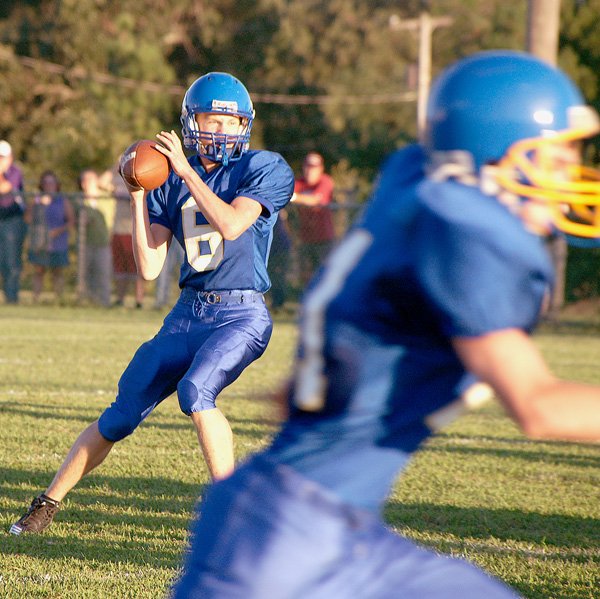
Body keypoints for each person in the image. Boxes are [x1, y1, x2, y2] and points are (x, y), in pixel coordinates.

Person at [169, 51, 600, 598]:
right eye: (554, 158)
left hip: (336, 531)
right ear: (490, 160)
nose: (569, 176)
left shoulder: (416, 187)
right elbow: (538, 405)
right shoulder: (468, 230)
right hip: (281, 549)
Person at [9, 71, 294, 535]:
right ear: (190, 121)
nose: (220, 131)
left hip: (241, 313)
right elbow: (148, 267)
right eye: (210, 120)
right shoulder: (168, 179)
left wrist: (184, 171)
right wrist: (138, 195)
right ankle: (46, 505)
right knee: (121, 414)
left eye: (229, 122)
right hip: (188, 312)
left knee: (196, 391)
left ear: (244, 125)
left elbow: (232, 226)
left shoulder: (264, 167)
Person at [25, 170, 75, 303]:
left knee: (57, 272)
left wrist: (58, 231)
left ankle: (59, 300)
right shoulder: (36, 199)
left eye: (51, 182)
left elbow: (71, 221)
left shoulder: (62, 201)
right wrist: (37, 202)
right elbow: (28, 219)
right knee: (39, 271)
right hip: (40, 242)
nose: (49, 185)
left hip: (58, 242)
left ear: (56, 184)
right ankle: (35, 300)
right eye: (46, 182)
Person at [101, 168, 146, 308]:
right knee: (120, 268)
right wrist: (116, 167)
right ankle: (120, 299)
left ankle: (139, 300)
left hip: (133, 231)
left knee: (138, 268)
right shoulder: (118, 180)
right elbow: (100, 182)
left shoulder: (139, 178)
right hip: (118, 231)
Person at [292, 151, 336, 285]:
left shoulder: (325, 181)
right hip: (305, 239)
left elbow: (316, 199)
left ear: (321, 168)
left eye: (314, 167)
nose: (310, 170)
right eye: (307, 166)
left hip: (324, 240)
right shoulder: (299, 183)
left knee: (326, 276)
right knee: (306, 277)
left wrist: (294, 197)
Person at [78, 168, 115, 307]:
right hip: (86, 244)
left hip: (104, 243)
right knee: (86, 276)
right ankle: (88, 302)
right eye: (86, 181)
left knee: (104, 274)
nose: (89, 184)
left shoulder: (106, 197)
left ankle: (105, 303)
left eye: (92, 180)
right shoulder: (80, 201)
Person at [0, 139, 26, 304]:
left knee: (11, 262)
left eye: (2, 157)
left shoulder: (15, 172)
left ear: (10, 157)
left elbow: (5, 188)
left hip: (12, 221)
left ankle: (12, 298)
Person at [267, 207, 292, 312]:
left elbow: (286, 227)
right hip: (271, 246)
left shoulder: (279, 209)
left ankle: (279, 302)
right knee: (271, 274)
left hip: (281, 245)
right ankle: (275, 302)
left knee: (280, 274)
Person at [154, 241, 185, 309]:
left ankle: (186, 300)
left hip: (183, 237)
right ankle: (160, 301)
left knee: (187, 268)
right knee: (163, 270)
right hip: (167, 236)